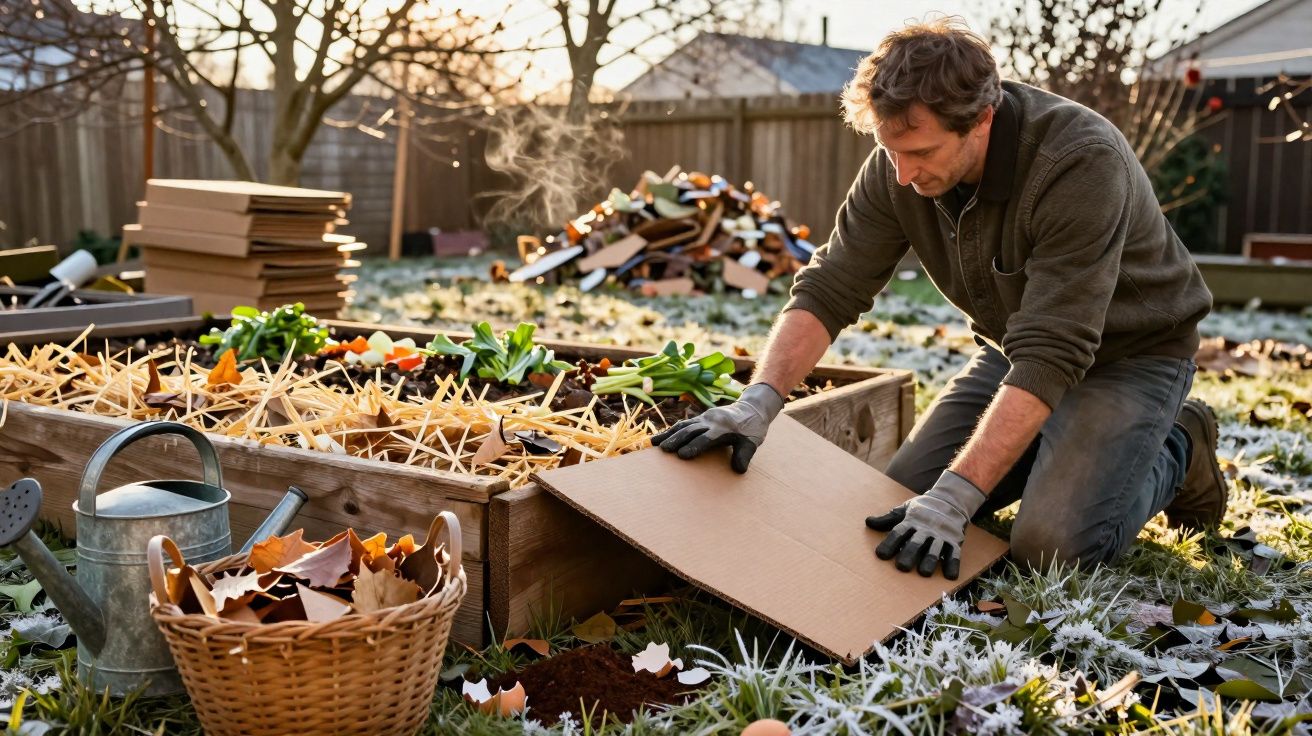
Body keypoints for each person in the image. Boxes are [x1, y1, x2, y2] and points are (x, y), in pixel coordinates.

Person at [651, 18, 1227, 581]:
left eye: (920, 152)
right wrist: (759, 402)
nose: (901, 174)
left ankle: (1183, 444)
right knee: (899, 497)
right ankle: (1047, 450)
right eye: (889, 149)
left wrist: (957, 497)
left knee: (1052, 548)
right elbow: (832, 284)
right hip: (1016, 350)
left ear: (981, 119)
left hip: (1130, 356)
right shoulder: (898, 163)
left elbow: (1055, 348)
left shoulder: (1077, 159)